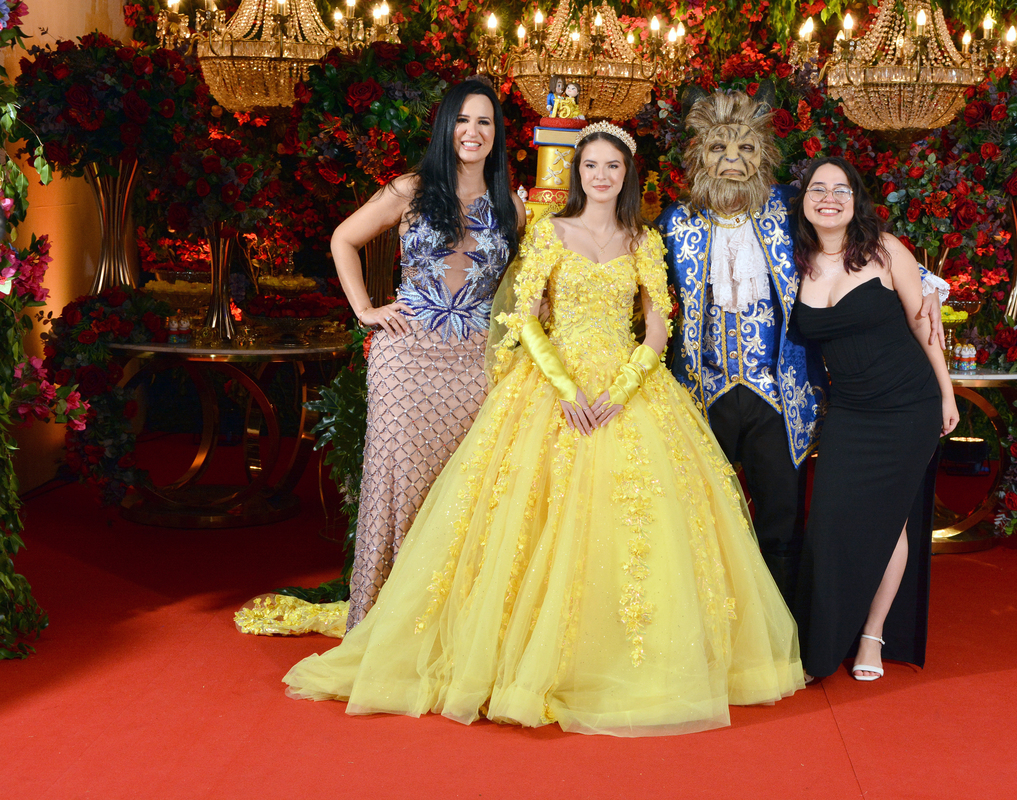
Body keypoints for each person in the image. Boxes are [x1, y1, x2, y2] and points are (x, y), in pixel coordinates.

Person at [283, 122, 804, 736]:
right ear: (578, 173)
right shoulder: (550, 231)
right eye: (591, 166)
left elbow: (658, 326)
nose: (601, 176)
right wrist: (566, 388)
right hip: (554, 387)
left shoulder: (643, 239)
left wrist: (621, 389)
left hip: (627, 389)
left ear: (627, 176)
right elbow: (526, 319)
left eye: (613, 167)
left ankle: (620, 657)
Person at [658, 91, 946, 609]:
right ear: (699, 153)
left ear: (763, 154)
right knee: (700, 516)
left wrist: (926, 290)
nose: (731, 160)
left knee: (782, 521)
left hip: (781, 393)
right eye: (719, 148)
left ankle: (783, 629)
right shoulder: (673, 223)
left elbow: (856, 244)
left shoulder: (791, 208)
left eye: (745, 148)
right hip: (700, 392)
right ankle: (708, 623)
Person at [331, 79, 524, 631]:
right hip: (406, 361)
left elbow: (520, 290)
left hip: (475, 367)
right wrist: (364, 308)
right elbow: (344, 239)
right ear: (446, 126)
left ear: (496, 134)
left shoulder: (512, 206)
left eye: (484, 121)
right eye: (463, 120)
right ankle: (380, 625)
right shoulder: (409, 189)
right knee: (398, 486)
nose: (472, 131)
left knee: (459, 493)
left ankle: (443, 629)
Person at [788, 156, 959, 681]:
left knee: (890, 522)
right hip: (849, 411)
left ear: (855, 199)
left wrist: (946, 393)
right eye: (818, 189)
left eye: (841, 189)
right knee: (828, 524)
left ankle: (872, 635)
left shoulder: (884, 250)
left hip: (909, 406)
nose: (829, 198)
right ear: (803, 201)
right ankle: (820, 640)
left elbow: (924, 322)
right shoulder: (792, 261)